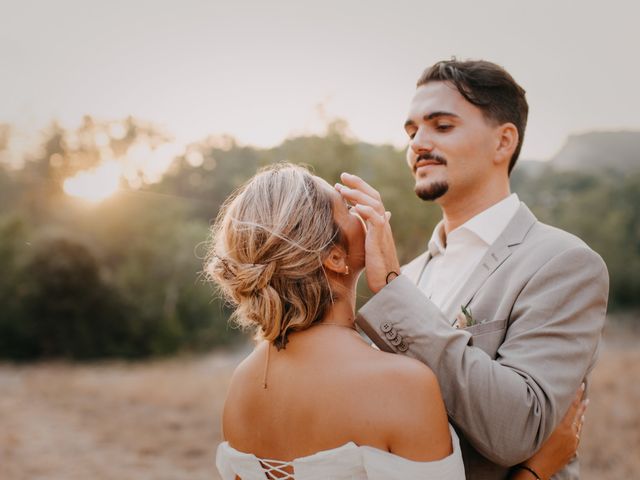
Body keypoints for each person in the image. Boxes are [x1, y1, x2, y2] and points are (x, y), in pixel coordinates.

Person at [208, 163, 587, 480]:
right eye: (347, 206)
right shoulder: (402, 384)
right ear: (336, 259)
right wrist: (537, 471)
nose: (364, 214)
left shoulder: (242, 384)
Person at [336, 59, 609, 479]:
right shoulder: (408, 275)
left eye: (441, 126)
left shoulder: (565, 263)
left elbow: (516, 430)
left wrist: (390, 287)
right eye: (411, 132)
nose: (418, 144)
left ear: (503, 142)